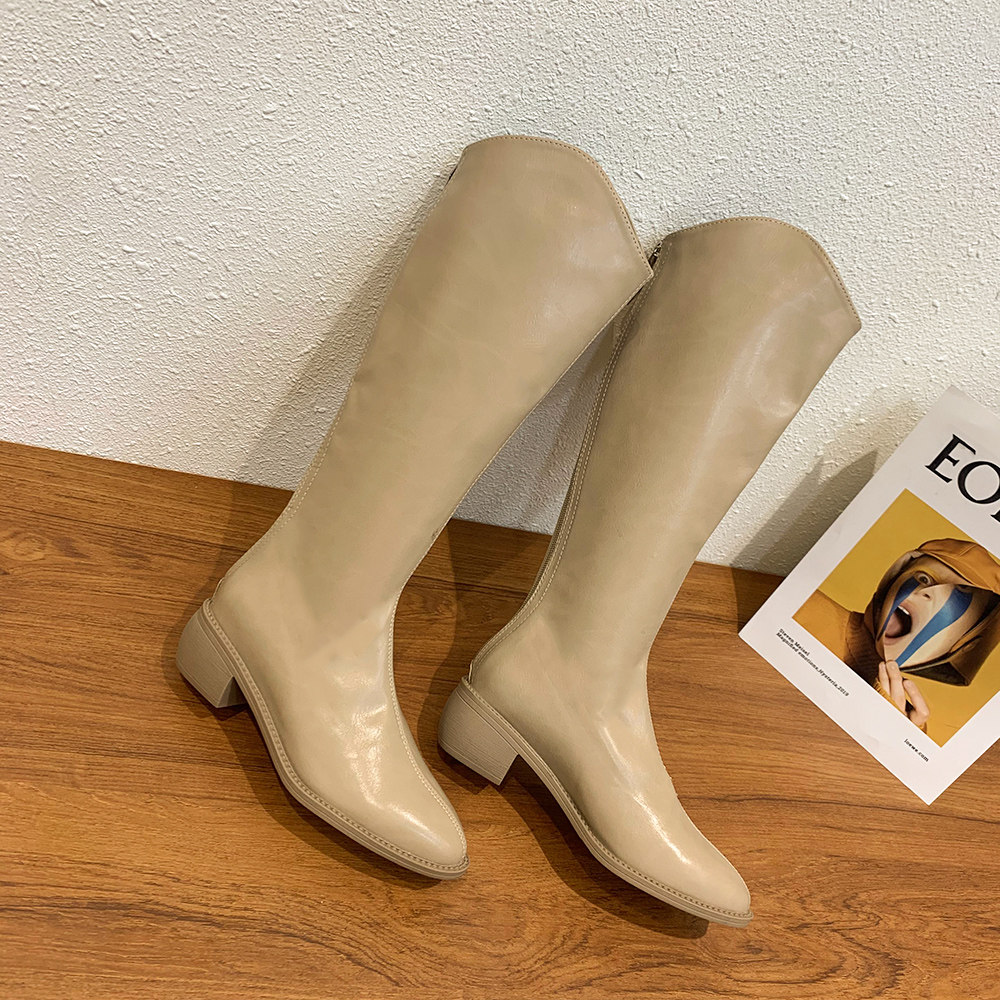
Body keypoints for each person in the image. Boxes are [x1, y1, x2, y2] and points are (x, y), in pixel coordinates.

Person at [794, 538, 1000, 733]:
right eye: (923, 578)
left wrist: (900, 738)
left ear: (968, 644)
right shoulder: (800, 607)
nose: (926, 591)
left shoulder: (908, 723)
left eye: (961, 592)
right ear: (891, 582)